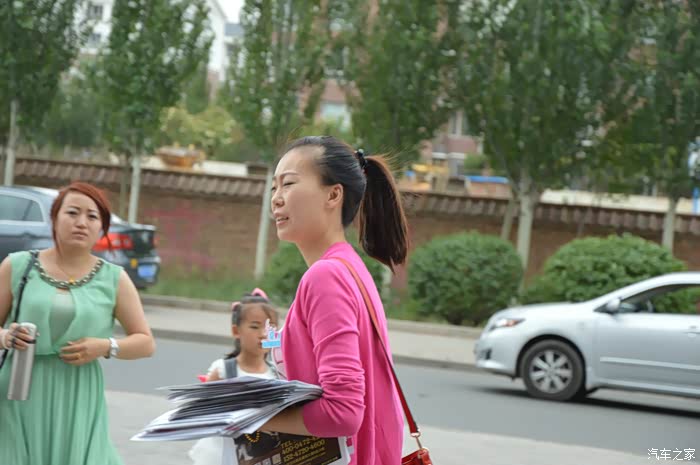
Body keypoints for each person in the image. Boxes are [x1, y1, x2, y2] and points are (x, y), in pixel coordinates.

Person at [261, 136, 409, 465]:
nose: (276, 199)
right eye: (274, 187)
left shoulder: (327, 275)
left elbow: (343, 412)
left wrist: (244, 417)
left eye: (289, 184)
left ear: (333, 195)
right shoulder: (349, 268)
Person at [0, 181, 156, 465]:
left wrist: (105, 346)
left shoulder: (114, 278)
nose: (81, 222)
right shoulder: (17, 265)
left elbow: (145, 342)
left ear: (102, 228)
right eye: (72, 213)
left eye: (92, 217)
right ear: (54, 218)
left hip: (78, 393)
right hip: (19, 387)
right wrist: (5, 337)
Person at [189, 289, 280, 465]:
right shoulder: (223, 370)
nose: (263, 334)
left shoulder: (277, 374)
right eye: (255, 327)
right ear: (236, 330)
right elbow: (201, 413)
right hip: (220, 455)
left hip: (259, 455)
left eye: (271, 327)